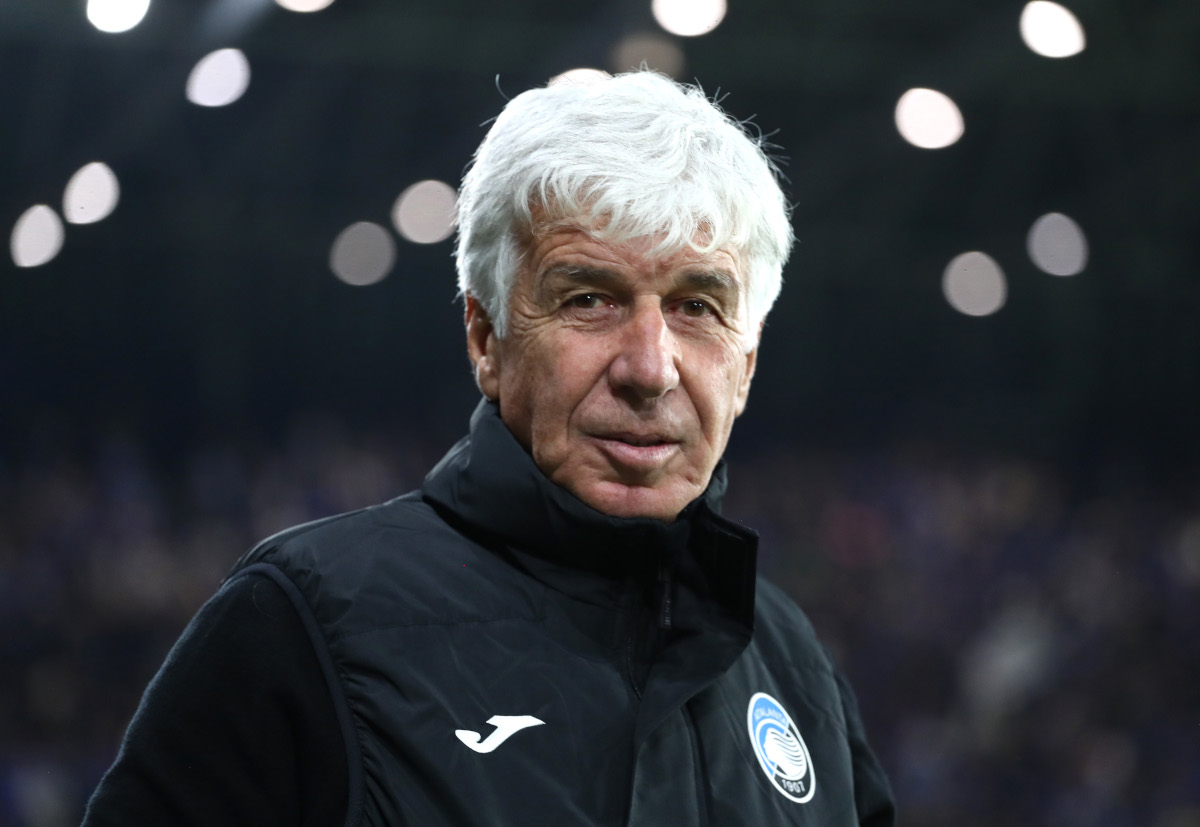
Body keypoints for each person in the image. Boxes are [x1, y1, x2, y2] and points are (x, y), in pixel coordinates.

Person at [83, 70, 895, 826]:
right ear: (486, 337)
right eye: (589, 299)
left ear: (745, 365)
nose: (650, 369)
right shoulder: (302, 623)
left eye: (697, 307)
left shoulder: (792, 664)